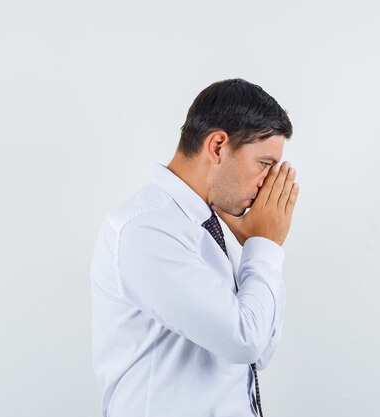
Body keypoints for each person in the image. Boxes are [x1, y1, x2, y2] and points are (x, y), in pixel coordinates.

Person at [90, 78, 299, 417]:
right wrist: (266, 245)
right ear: (217, 146)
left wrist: (256, 247)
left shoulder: (209, 224)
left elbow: (261, 349)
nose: (268, 183)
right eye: (264, 164)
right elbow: (243, 340)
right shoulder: (147, 228)